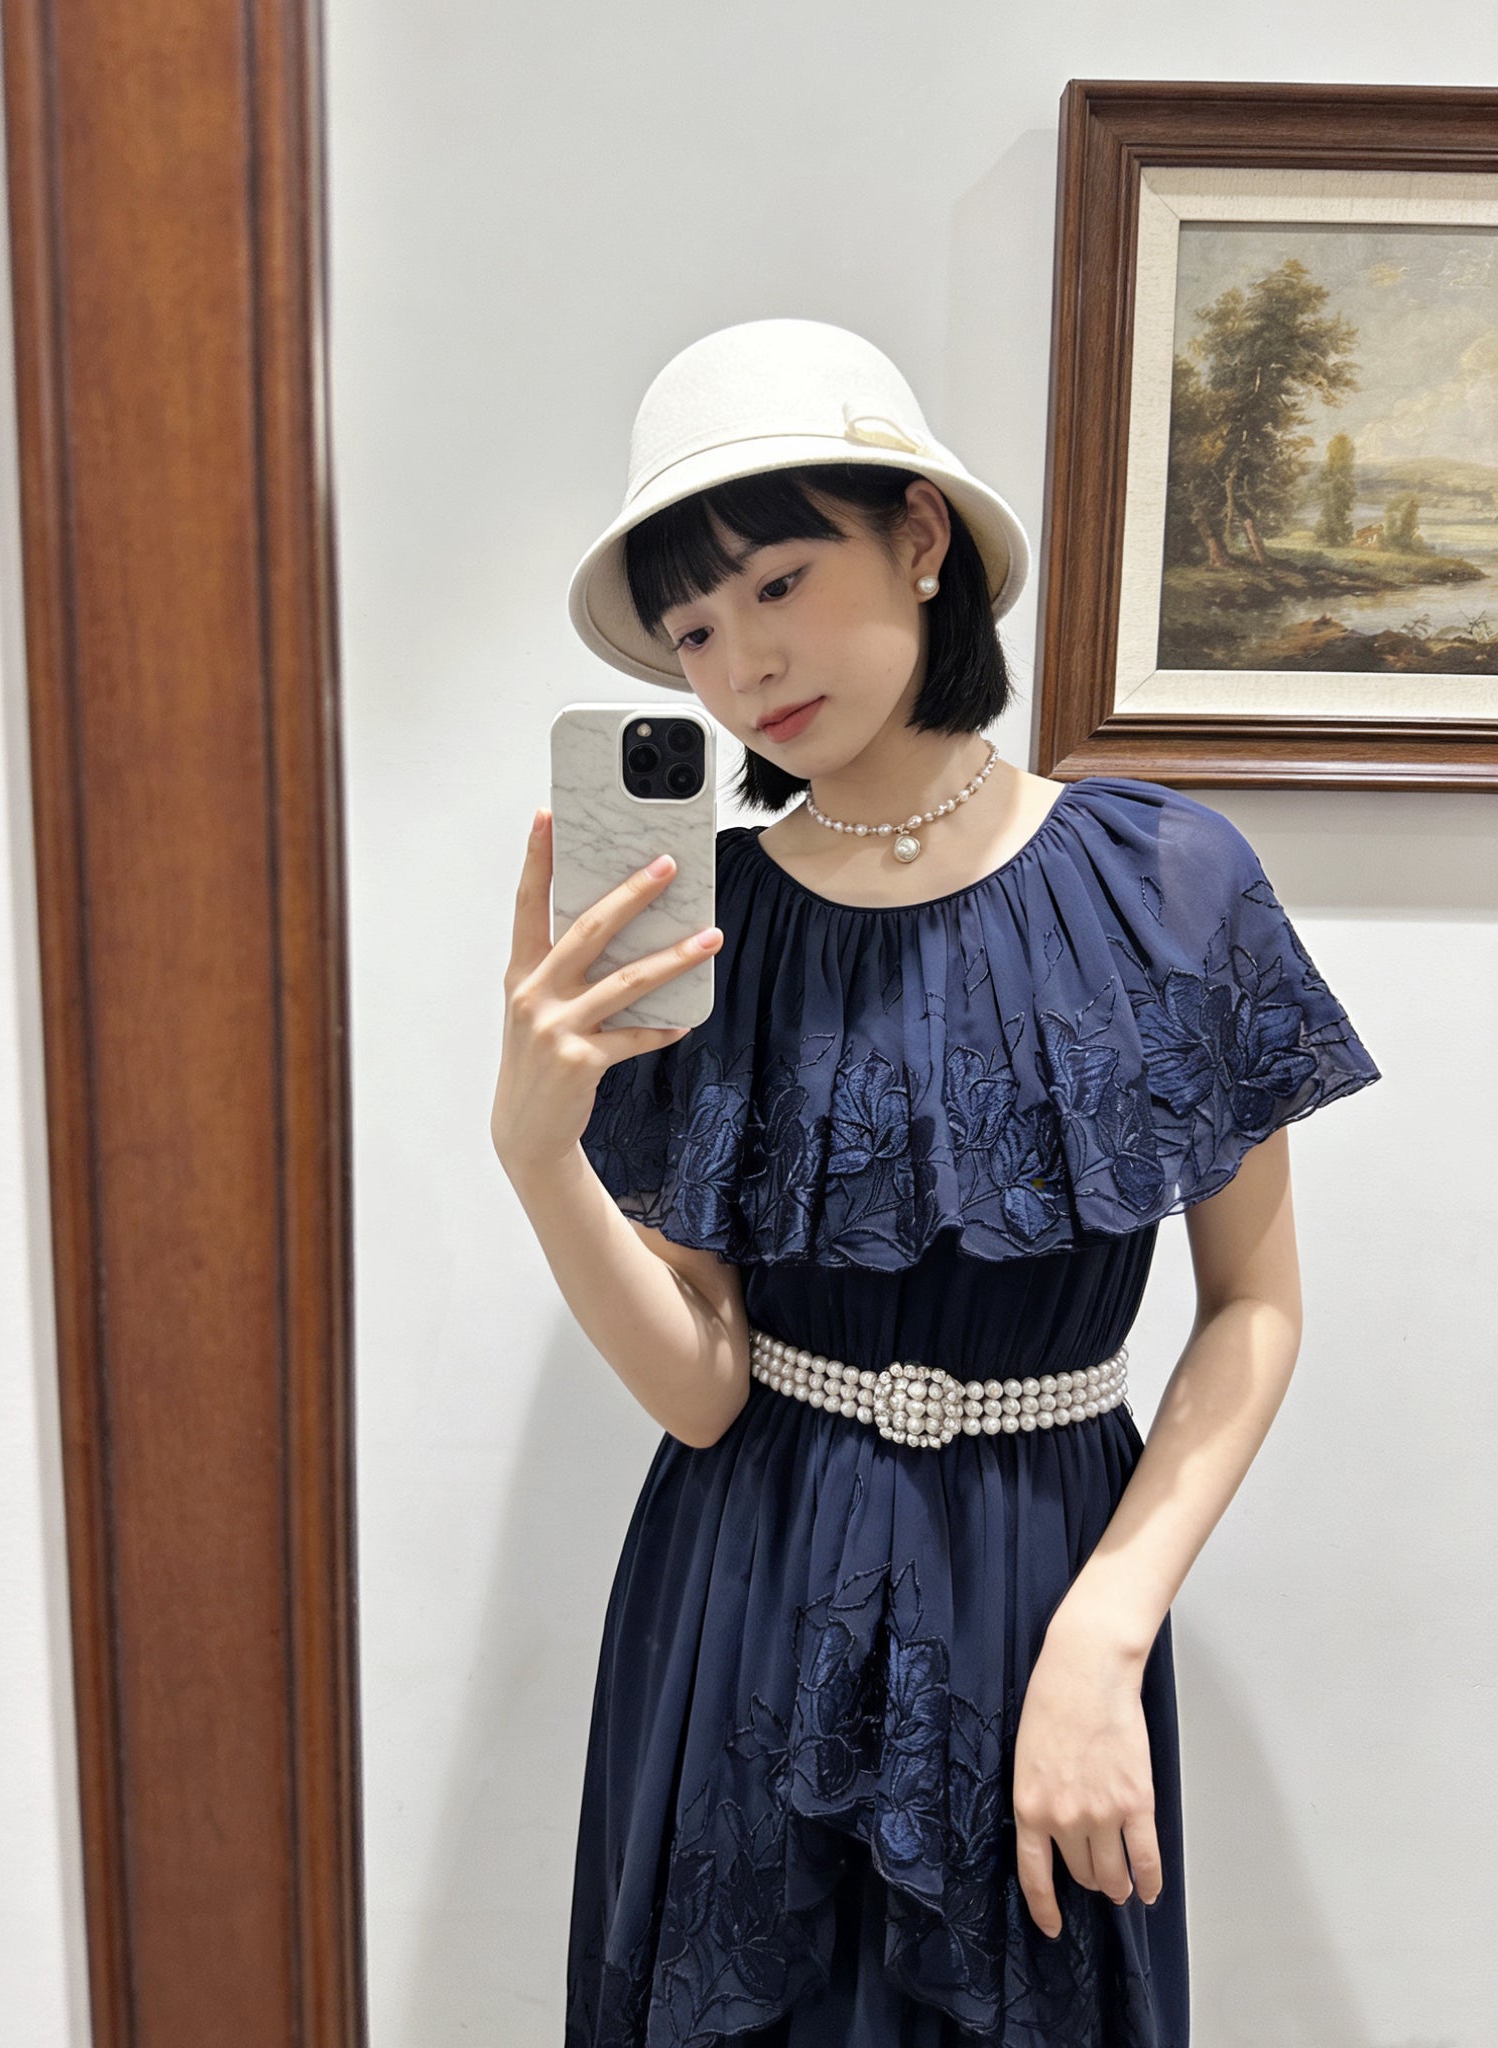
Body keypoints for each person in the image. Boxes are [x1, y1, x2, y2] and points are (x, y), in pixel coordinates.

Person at [490, 319, 1383, 2047]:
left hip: (1045, 1576)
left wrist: (1106, 1634)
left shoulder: (1166, 880)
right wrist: (539, 1157)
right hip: (744, 1586)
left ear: (918, 538)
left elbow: (1254, 1307)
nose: (744, 661)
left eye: (779, 580)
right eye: (694, 629)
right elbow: (702, 1388)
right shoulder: (710, 929)